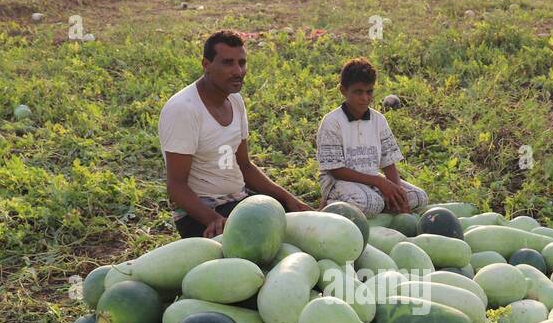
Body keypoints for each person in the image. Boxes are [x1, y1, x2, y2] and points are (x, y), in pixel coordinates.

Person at [159, 30, 310, 238]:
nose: (238, 71)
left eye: (242, 63)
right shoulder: (184, 109)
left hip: (240, 201)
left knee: (301, 231)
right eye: (227, 63)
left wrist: (288, 199)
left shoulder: (235, 100)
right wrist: (214, 220)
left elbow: (245, 166)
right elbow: (176, 186)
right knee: (266, 245)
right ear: (206, 65)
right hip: (201, 214)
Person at [315, 58, 428, 216]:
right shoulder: (332, 122)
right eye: (358, 92)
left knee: (418, 197)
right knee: (370, 204)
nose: (365, 98)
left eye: (369, 92)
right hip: (339, 183)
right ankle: (329, 204)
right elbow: (336, 170)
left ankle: (382, 207)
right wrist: (379, 182)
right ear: (343, 90)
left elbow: (388, 162)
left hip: (371, 181)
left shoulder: (378, 120)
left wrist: (398, 195)